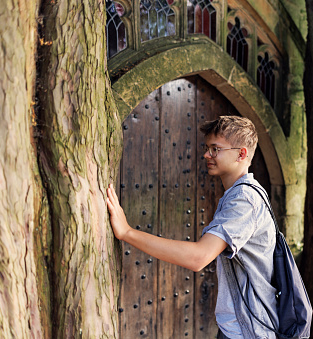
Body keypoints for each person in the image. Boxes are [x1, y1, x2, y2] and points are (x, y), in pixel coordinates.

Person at [106, 116, 278, 338]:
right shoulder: (242, 193)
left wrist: (127, 232)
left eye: (215, 149)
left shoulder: (244, 199)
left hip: (248, 331)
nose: (207, 155)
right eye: (207, 148)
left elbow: (199, 257)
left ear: (241, 154)